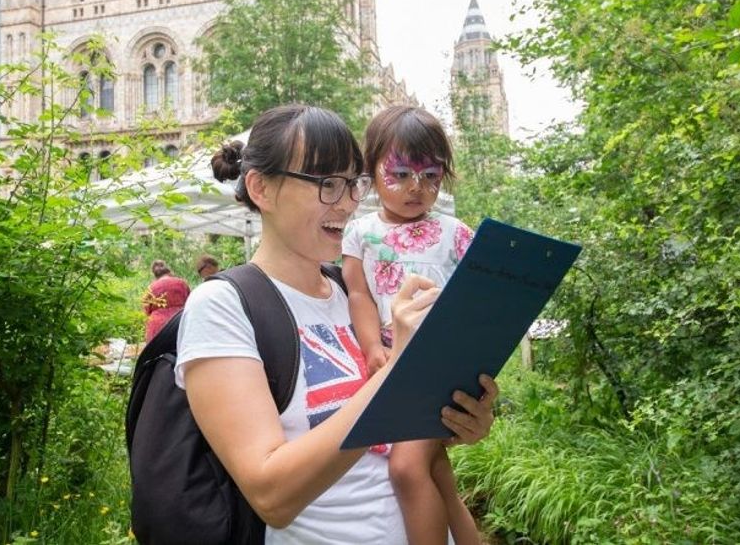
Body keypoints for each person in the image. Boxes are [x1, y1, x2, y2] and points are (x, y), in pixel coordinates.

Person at [175, 104, 498, 544]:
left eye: (351, 183)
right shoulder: (224, 307)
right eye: (327, 184)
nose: (347, 203)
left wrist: (463, 417)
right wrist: (400, 368)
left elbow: (409, 436)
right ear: (262, 189)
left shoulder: (359, 289)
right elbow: (272, 495)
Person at [341, 105, 479, 545]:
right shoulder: (359, 233)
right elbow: (359, 294)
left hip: (443, 364)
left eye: (430, 176)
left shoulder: (456, 233)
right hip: (394, 361)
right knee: (436, 471)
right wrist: (371, 347)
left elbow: (480, 298)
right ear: (372, 170)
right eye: (400, 173)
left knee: (406, 468)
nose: (416, 187)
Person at [142, 259, 191, 342]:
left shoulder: (151, 288)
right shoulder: (182, 283)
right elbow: (190, 302)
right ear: (169, 271)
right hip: (178, 322)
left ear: (155, 274)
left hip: (157, 326)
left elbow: (146, 310)